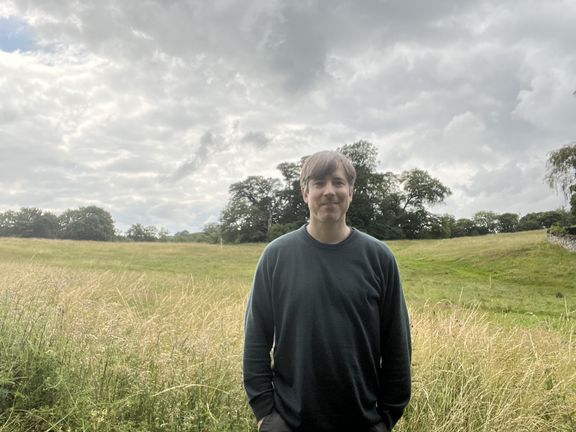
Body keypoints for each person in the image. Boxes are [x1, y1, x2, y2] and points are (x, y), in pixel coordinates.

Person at [243, 150, 411, 432]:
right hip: (290, 423)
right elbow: (256, 339)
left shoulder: (379, 258)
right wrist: (266, 415)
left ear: (351, 192)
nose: (329, 191)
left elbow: (397, 345)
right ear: (305, 193)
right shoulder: (277, 256)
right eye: (319, 183)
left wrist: (386, 418)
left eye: (338, 182)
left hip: (363, 423)